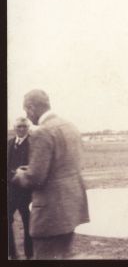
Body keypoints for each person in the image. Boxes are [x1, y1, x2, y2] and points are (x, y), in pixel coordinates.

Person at [12, 89, 90, 259]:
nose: (27, 116)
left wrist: (20, 174)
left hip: (50, 213)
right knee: (63, 256)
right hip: (72, 208)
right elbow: (65, 165)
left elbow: (36, 178)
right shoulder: (70, 126)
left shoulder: (42, 131)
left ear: (31, 108)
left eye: (26, 111)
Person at [7, 117, 33, 259]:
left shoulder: (33, 144)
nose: (21, 129)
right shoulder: (9, 143)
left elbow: (36, 168)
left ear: (28, 128)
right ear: (14, 127)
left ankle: (30, 255)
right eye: (19, 126)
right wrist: (12, 175)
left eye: (24, 126)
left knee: (28, 223)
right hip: (11, 191)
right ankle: (12, 253)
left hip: (27, 192)